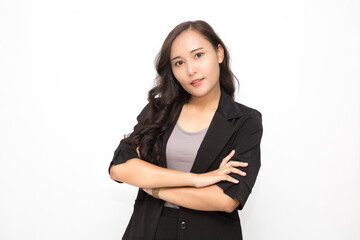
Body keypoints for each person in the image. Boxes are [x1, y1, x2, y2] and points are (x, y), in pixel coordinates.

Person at [108, 20, 263, 240]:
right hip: (147, 232)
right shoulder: (159, 111)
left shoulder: (245, 121)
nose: (191, 70)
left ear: (219, 53)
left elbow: (226, 199)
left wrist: (156, 189)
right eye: (179, 63)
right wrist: (196, 180)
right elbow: (120, 168)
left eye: (198, 55)